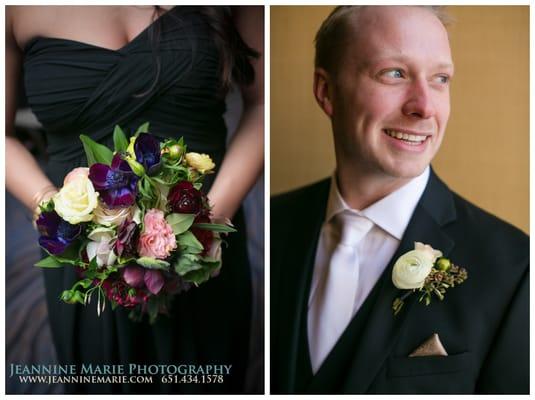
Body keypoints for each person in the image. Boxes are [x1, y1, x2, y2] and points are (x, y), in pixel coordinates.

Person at [6, 5, 263, 394]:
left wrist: (206, 223)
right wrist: (54, 209)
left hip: (207, 244)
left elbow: (263, 105)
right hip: (82, 255)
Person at [271, 6, 528, 394]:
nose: (424, 107)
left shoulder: (515, 268)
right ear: (327, 91)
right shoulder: (268, 228)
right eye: (395, 73)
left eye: (440, 78)